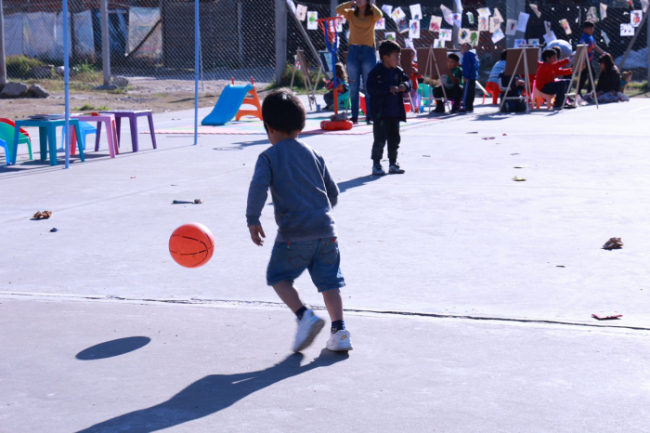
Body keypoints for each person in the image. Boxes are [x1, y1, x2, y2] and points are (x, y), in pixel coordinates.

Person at [246, 89, 352, 353]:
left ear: (268, 127)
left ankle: (304, 316)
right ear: (301, 124)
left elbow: (258, 187)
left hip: (294, 233)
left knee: (278, 276)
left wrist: (253, 218)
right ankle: (339, 332)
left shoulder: (268, 157)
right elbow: (333, 193)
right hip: (326, 231)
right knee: (330, 282)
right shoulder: (314, 153)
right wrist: (320, 214)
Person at [366, 40, 411, 176]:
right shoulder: (376, 72)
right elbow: (371, 88)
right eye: (396, 56)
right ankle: (376, 164)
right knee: (379, 140)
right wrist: (387, 88)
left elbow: (408, 81)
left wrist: (404, 85)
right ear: (385, 57)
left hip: (395, 113)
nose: (398, 59)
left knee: (394, 140)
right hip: (381, 114)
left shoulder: (398, 72)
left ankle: (393, 163)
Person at [336, 0, 383, 124]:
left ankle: (370, 115)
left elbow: (379, 16)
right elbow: (338, 10)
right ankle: (355, 116)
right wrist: (350, 3)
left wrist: (372, 5)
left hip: (368, 52)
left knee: (369, 86)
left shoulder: (372, 14)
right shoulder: (351, 13)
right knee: (354, 86)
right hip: (353, 51)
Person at [577, 21, 606, 96]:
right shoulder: (584, 38)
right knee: (592, 74)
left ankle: (578, 92)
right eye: (590, 29)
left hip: (589, 60)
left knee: (583, 76)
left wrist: (603, 52)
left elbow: (594, 46)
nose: (592, 30)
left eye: (593, 29)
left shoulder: (591, 37)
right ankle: (589, 92)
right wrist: (583, 61)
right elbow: (582, 49)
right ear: (585, 29)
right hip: (585, 61)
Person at [460, 43, 479, 113]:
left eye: (461, 49)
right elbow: (477, 65)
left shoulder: (467, 55)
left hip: (469, 76)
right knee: (471, 92)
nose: (461, 51)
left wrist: (465, 76)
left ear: (465, 46)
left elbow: (466, 66)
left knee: (466, 91)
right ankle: (470, 106)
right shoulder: (474, 55)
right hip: (474, 75)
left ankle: (465, 106)